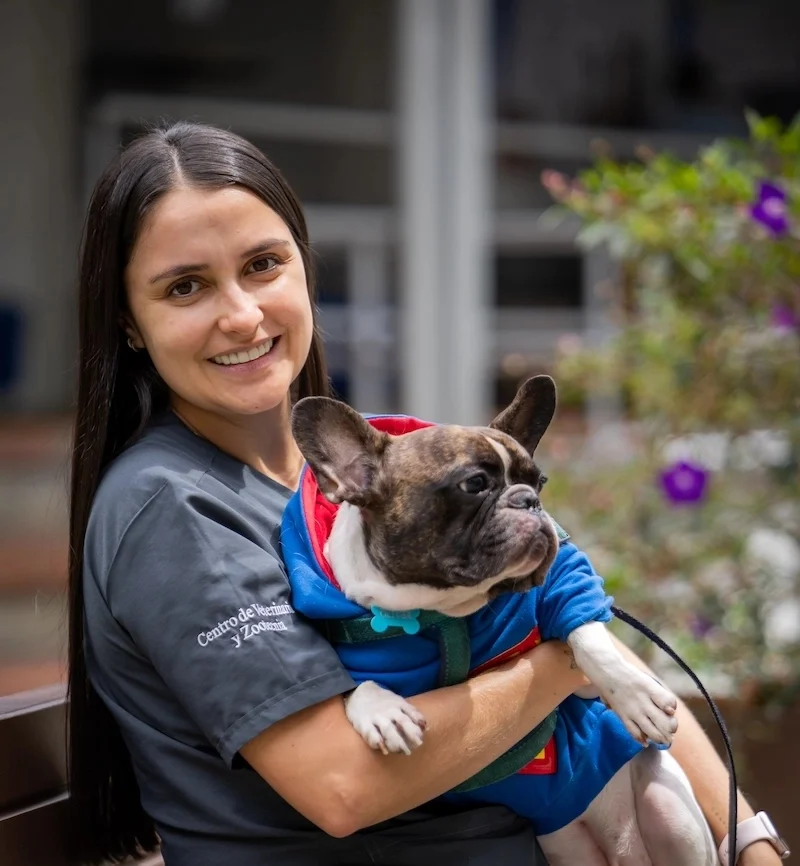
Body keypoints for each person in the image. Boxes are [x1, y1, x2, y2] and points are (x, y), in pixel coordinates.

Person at [66, 121, 784, 866]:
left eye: (264, 264)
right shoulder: (172, 508)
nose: (242, 314)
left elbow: (601, 635)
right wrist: (566, 659)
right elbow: (344, 786)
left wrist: (747, 839)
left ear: (305, 271)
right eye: (186, 286)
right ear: (129, 321)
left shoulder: (411, 466)